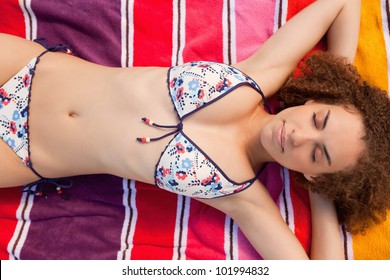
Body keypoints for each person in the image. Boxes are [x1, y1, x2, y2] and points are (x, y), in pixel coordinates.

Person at [0, 0, 388, 259]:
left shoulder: (242, 197)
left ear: (315, 172)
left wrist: (320, 192)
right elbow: (344, 2)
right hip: (30, 70)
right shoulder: (259, 75)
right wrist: (344, 84)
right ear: (315, 104)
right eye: (319, 121)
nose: (300, 136)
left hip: (23, 153)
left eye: (318, 153)